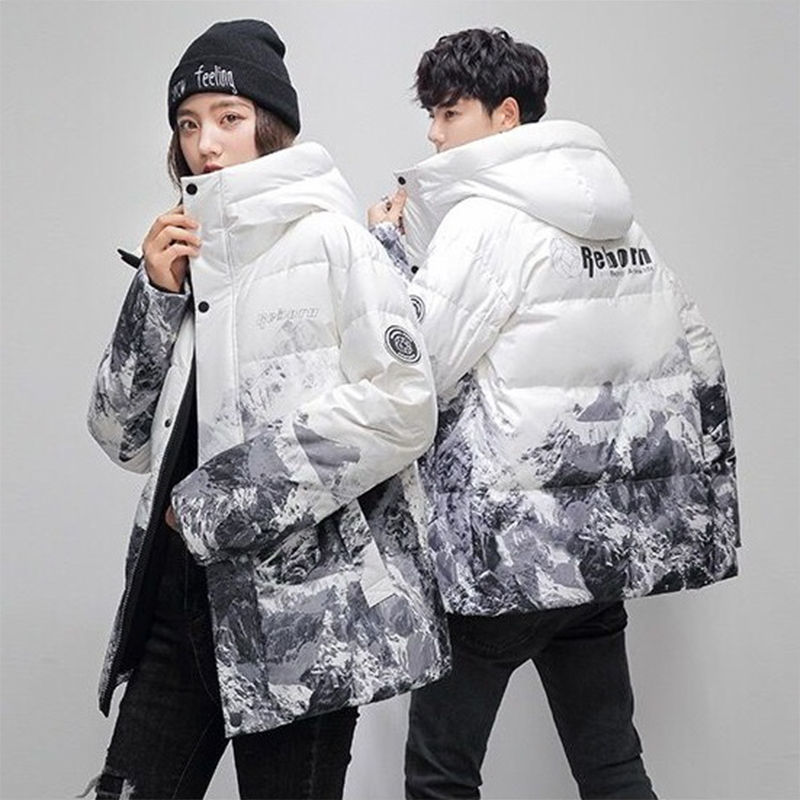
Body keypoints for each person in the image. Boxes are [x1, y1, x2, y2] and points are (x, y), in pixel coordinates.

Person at [369, 27, 740, 800]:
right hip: (599, 551)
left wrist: (388, 251)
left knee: (440, 774)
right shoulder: (621, 223)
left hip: (506, 555)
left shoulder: (487, 221)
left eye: (449, 112)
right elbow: (696, 355)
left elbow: (417, 369)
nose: (433, 133)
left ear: (505, 115)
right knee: (611, 766)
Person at [86, 19, 450, 800]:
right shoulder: (184, 259)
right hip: (176, 603)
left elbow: (403, 404)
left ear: (271, 127)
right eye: (189, 124)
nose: (206, 144)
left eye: (229, 118)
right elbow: (120, 437)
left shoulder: (331, 242)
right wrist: (153, 296)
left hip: (301, 615)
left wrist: (219, 499)